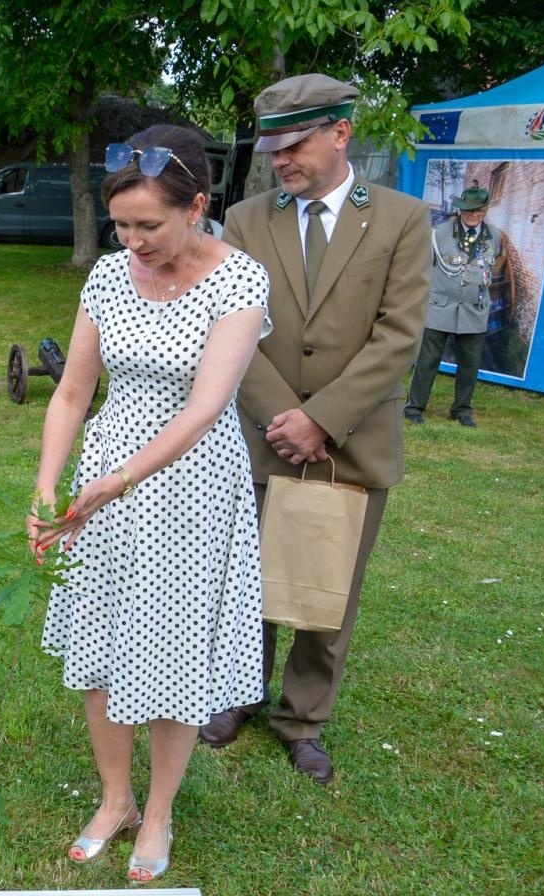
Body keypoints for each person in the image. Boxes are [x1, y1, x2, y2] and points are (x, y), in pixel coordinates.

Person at [30, 125, 270, 882]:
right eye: (121, 226)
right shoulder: (108, 277)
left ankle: (159, 809)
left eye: (148, 225)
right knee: (103, 639)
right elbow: (73, 391)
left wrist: (120, 480)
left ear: (196, 206)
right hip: (105, 482)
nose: (132, 242)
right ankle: (115, 800)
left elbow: (205, 407)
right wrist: (48, 486)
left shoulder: (240, 280)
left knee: (175, 648)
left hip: (192, 487)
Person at [199, 74, 430, 783]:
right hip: (259, 438)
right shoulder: (246, 221)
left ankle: (302, 720)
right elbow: (230, 325)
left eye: (294, 145)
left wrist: (321, 420)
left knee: (328, 589)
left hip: (352, 442)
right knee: (247, 581)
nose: (280, 161)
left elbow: (398, 337)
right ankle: (239, 694)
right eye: (272, 149)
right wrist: (285, 419)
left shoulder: (400, 219)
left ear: (340, 133)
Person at [404, 185, 508, 427]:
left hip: (474, 310)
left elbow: (490, 266)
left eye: (479, 210)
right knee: (427, 362)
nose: (474, 214)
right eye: (469, 210)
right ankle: (414, 407)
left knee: (469, 366)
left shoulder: (494, 235)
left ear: (486, 210)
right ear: (461, 209)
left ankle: (462, 410)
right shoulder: (439, 233)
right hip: (439, 307)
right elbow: (423, 269)